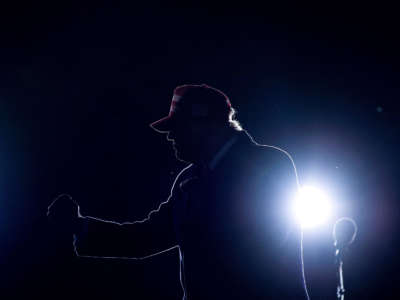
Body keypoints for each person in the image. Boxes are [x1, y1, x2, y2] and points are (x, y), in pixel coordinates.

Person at [47, 84, 308, 300]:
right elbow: (146, 238)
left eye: (177, 128)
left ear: (205, 124)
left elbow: (259, 259)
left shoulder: (269, 165)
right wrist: (79, 226)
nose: (170, 137)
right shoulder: (189, 181)